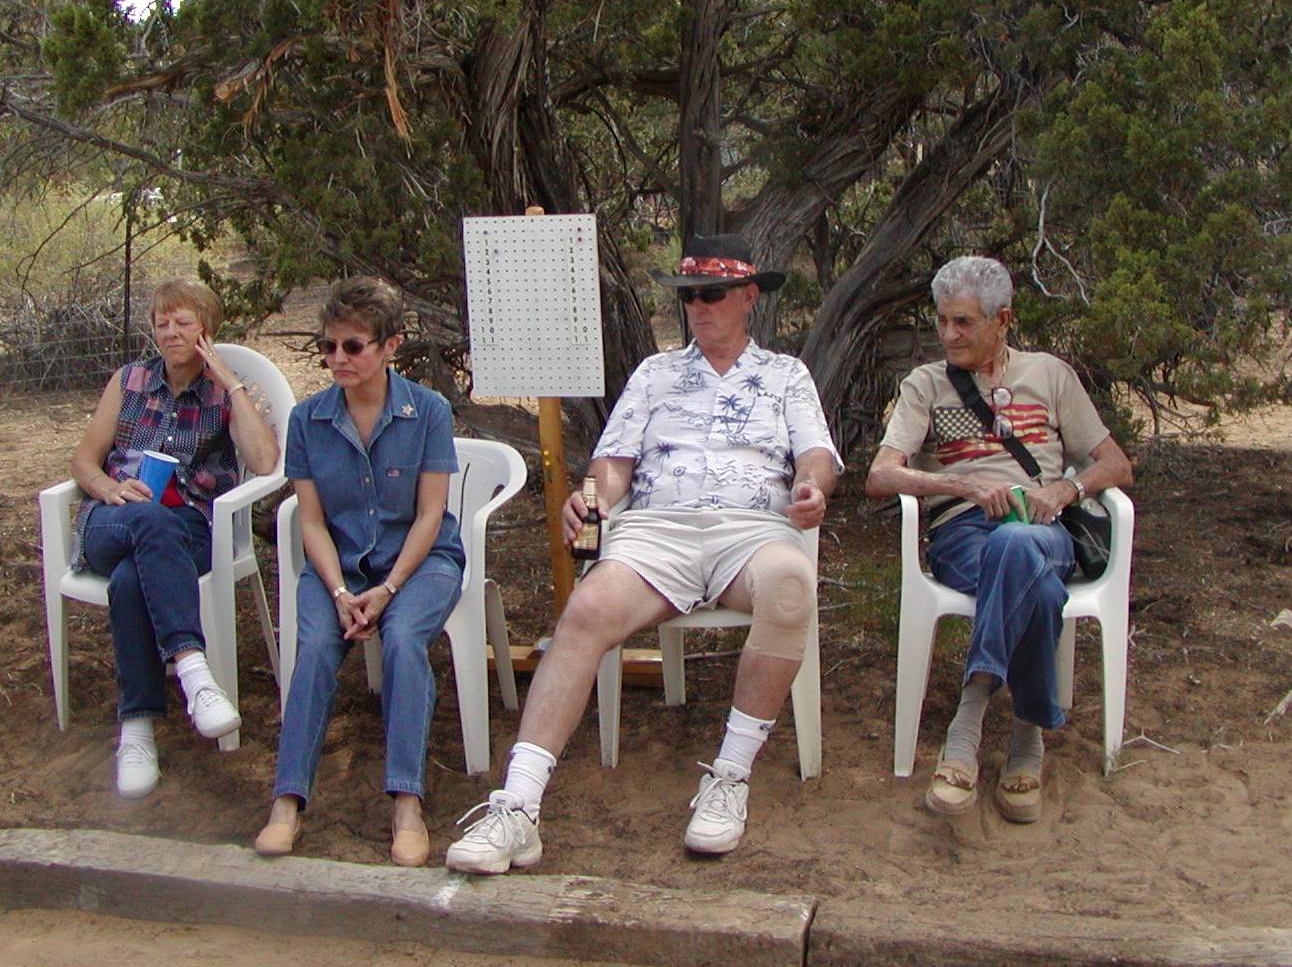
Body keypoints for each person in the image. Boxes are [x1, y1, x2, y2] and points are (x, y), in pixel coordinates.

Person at [445, 233, 841, 874]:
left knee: (791, 586)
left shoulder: (785, 375)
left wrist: (811, 488)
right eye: (690, 296)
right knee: (585, 610)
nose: (699, 307)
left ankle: (729, 776)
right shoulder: (655, 374)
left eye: (712, 294)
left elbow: (817, 455)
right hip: (660, 529)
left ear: (748, 297)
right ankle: (517, 806)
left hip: (750, 530)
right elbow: (614, 460)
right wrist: (592, 499)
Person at [865, 255, 1132, 822]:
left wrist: (1065, 489)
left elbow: (1116, 464)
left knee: (1019, 545)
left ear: (1003, 320)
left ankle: (970, 714)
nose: (948, 335)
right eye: (942, 321)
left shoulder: (1050, 375)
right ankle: (1028, 735)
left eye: (963, 322)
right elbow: (880, 475)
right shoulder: (926, 385)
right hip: (962, 533)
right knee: (1035, 581)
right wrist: (960, 484)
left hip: (1043, 530)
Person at [253, 277, 465, 868]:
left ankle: (406, 802)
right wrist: (343, 590)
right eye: (328, 346)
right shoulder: (308, 419)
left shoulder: (427, 411)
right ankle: (287, 801)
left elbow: (430, 516)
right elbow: (311, 521)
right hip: (339, 565)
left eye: (352, 346)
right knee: (316, 646)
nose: (338, 359)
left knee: (403, 639)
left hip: (420, 562)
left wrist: (388, 590)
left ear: (390, 346)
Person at [70, 279, 279, 800]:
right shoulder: (130, 380)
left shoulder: (221, 393)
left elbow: (264, 461)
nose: (170, 332)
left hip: (186, 528)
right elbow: (84, 460)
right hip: (112, 519)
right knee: (146, 520)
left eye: (183, 322)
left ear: (206, 328)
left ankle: (137, 730)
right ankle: (193, 672)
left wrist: (230, 383)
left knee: (131, 578)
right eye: (162, 323)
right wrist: (108, 488)